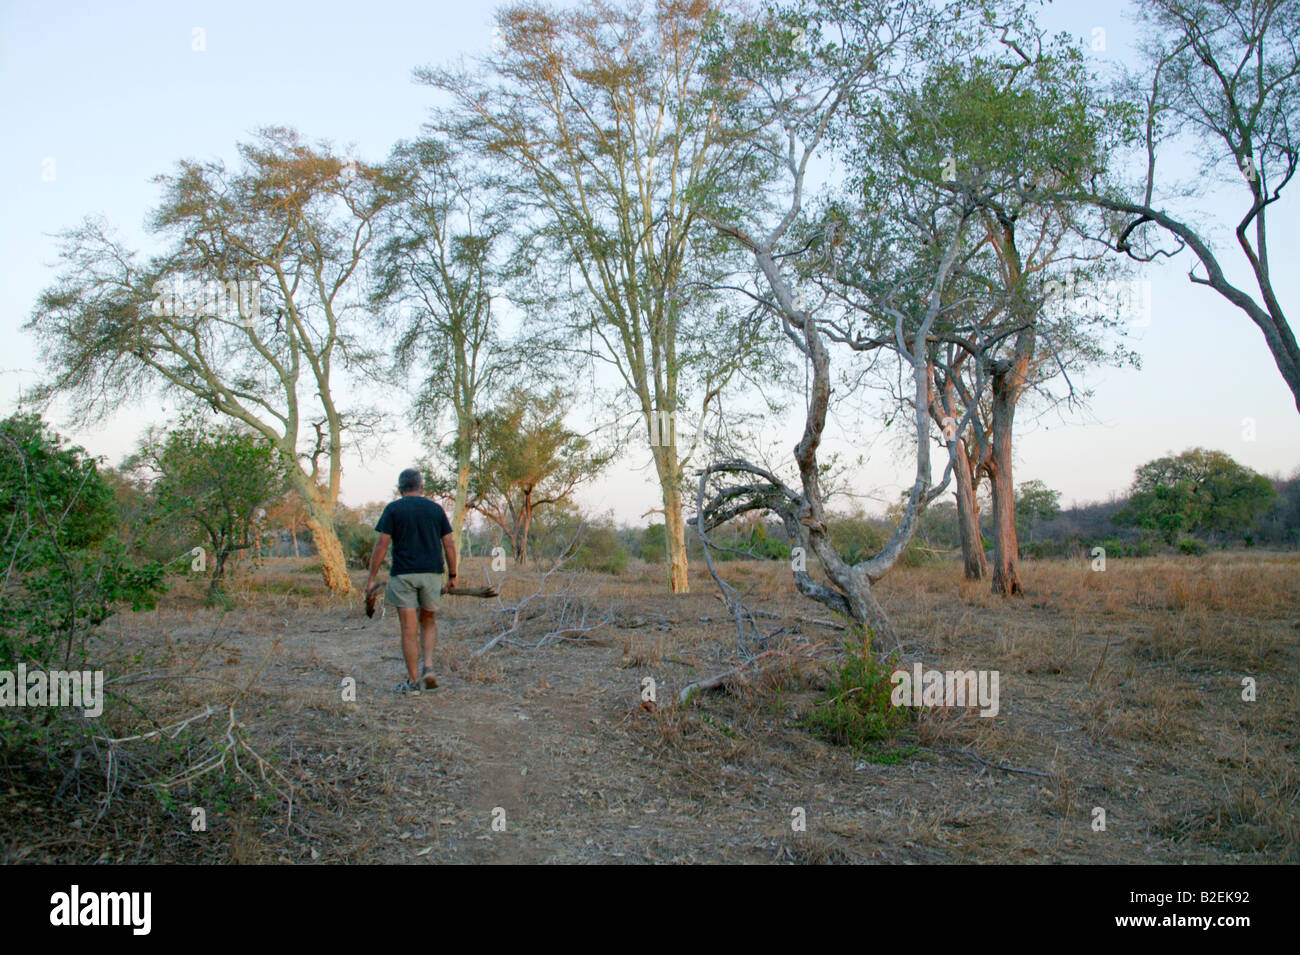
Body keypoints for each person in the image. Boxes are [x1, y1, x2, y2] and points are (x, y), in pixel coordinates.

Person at [365, 468, 458, 694]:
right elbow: (449, 544)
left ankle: (413, 683)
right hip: (432, 575)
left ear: (400, 489)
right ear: (422, 486)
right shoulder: (436, 510)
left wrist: (371, 578)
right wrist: (453, 576)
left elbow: (382, 545)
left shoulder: (393, 509)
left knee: (408, 628)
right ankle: (428, 667)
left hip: (403, 574)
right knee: (428, 621)